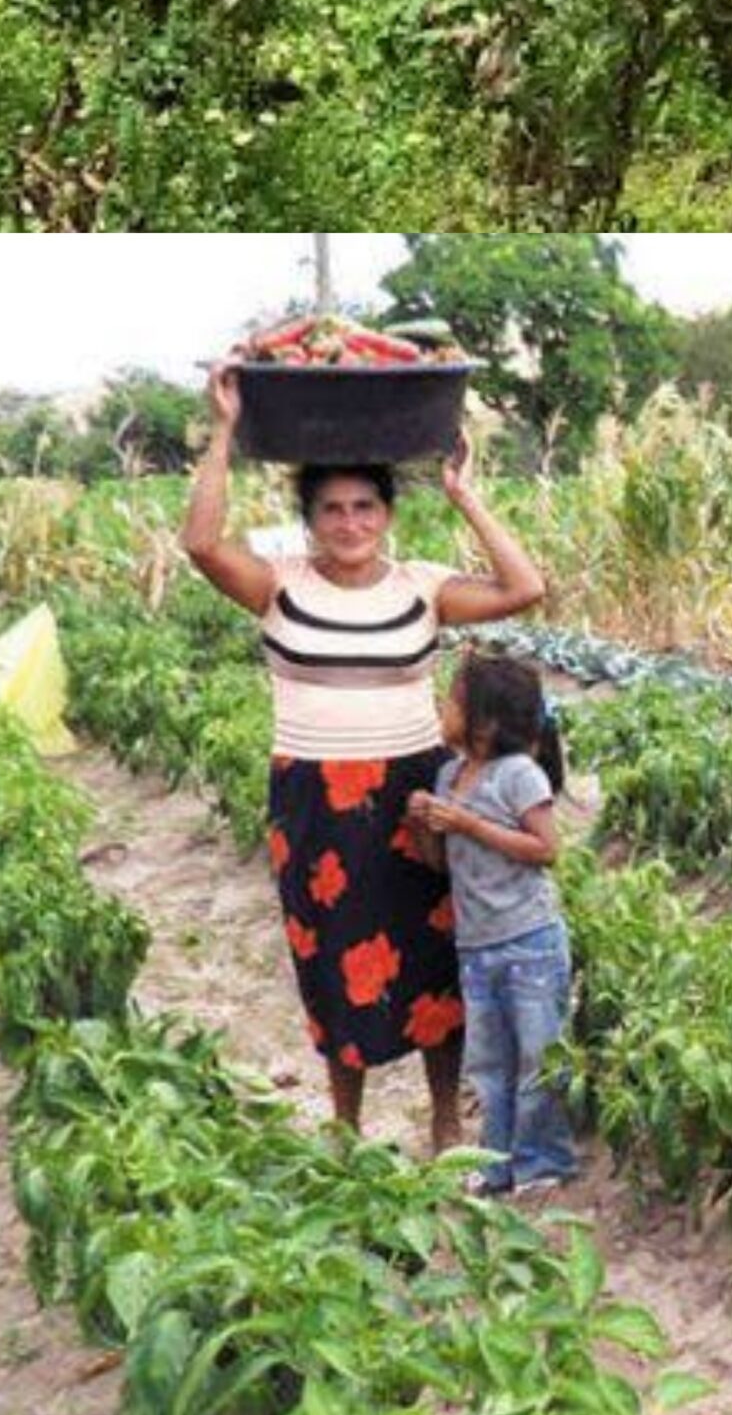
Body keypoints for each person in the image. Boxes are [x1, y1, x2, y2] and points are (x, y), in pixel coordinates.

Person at [184, 367, 547, 1144]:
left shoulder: (423, 588)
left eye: (365, 506)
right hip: (313, 798)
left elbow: (524, 587)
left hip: (414, 795)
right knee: (330, 963)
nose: (350, 522)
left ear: (386, 514)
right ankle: (347, 1127)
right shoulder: (277, 586)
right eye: (333, 509)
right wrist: (223, 429)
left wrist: (464, 495)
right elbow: (200, 543)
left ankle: (445, 1123)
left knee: (432, 959)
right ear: (310, 519)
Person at [406, 647, 577, 1198]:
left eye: (452, 700)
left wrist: (467, 822)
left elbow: (546, 849)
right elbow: (439, 864)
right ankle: (498, 1165)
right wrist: (426, 827)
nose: (442, 707)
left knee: (537, 1059)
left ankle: (541, 1163)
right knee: (489, 1064)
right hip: (477, 944)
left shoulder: (519, 775)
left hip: (529, 940)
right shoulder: (450, 775)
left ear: (484, 721)